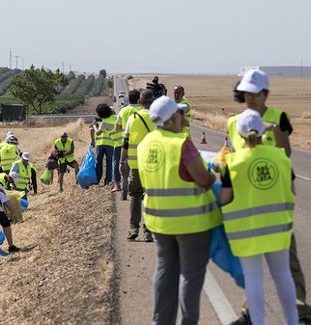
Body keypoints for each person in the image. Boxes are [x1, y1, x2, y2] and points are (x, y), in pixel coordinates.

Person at [227, 69, 311, 325]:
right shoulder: (234, 122)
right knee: (251, 268)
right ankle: (250, 313)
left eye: (254, 94)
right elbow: (234, 154)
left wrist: (274, 133)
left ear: (265, 94)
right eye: (246, 93)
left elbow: (285, 153)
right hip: (248, 197)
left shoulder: (279, 118)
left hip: (273, 193)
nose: (250, 98)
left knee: (287, 261)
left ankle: (301, 313)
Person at [137, 96, 221, 325]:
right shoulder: (181, 143)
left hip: (157, 221)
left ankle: (160, 321)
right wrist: (213, 173)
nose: (184, 119)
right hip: (190, 222)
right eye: (181, 114)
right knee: (190, 275)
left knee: (164, 270)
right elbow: (203, 179)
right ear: (172, 118)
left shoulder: (146, 143)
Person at [220, 110, 298, 325]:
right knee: (283, 275)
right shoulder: (281, 158)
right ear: (264, 131)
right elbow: (291, 190)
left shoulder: (233, 162)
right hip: (279, 228)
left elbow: (225, 198)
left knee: (254, 279)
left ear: (240, 134)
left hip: (247, 231)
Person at [121, 89, 155, 241]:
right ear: (153, 102)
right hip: (153, 166)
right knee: (150, 197)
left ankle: (133, 228)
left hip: (135, 164)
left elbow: (125, 143)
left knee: (135, 195)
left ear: (140, 102)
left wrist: (122, 161)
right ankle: (148, 232)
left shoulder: (132, 118)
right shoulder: (158, 119)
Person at [114, 89, 141, 198]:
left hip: (124, 143)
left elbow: (117, 127)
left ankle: (124, 193)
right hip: (139, 144)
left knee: (124, 171)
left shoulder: (123, 111)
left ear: (128, 99)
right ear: (139, 99)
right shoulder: (142, 110)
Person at [90, 103, 116, 186]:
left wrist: (94, 125)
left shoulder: (104, 121)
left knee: (98, 162)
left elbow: (97, 132)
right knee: (109, 163)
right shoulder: (114, 118)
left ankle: (97, 179)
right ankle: (107, 180)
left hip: (101, 143)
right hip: (111, 143)